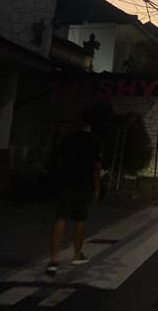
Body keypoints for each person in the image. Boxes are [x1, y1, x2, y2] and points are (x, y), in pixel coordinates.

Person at [46, 109, 101, 275]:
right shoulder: (93, 141)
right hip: (83, 183)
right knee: (80, 218)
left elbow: (55, 160)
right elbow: (96, 167)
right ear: (91, 125)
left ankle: (54, 259)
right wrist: (97, 187)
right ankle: (77, 254)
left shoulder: (68, 139)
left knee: (60, 218)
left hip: (65, 182)